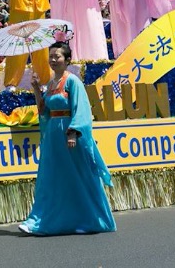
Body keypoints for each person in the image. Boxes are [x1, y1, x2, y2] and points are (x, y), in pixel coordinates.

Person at [19, 42, 115, 235]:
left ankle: (95, 220)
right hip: (54, 136)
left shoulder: (73, 82)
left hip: (69, 136)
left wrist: (73, 132)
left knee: (80, 177)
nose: (53, 60)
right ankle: (40, 221)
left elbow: (81, 109)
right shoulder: (52, 84)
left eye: (57, 56)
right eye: (51, 56)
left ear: (67, 60)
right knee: (52, 179)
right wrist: (37, 88)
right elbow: (43, 110)